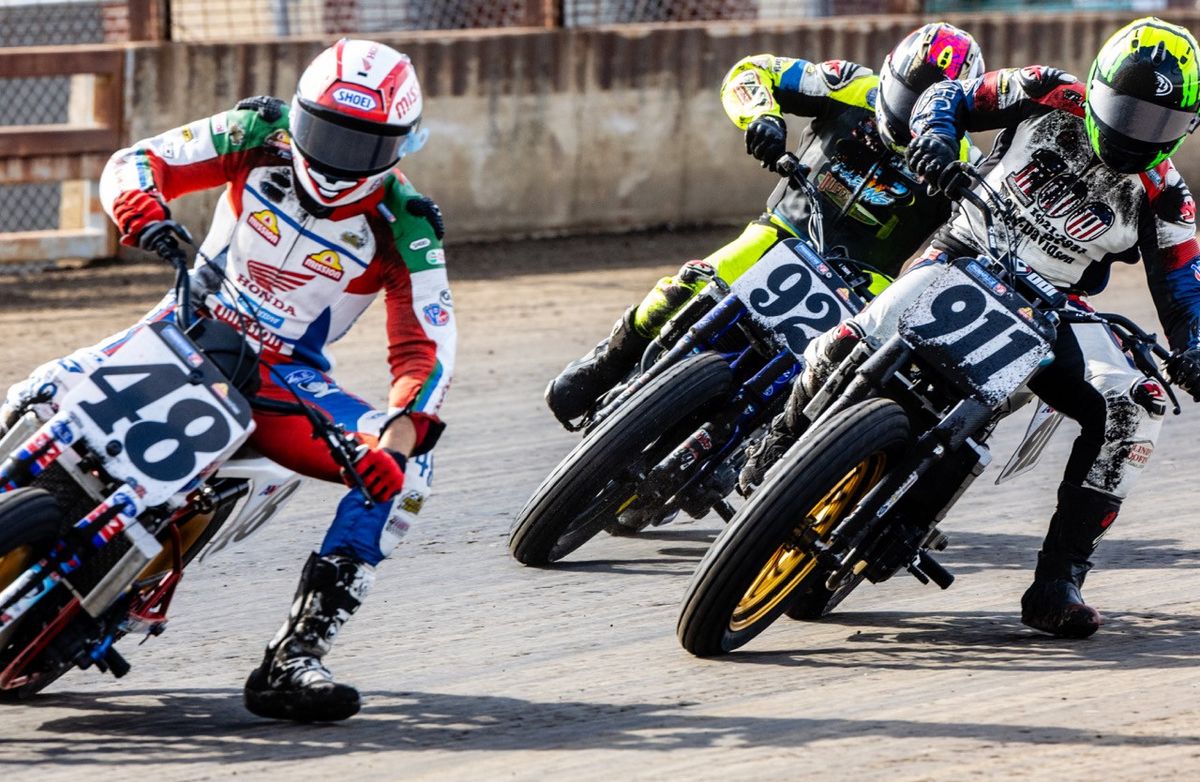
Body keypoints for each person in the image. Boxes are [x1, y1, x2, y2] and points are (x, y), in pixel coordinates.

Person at [0, 39, 455, 721]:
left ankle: (295, 655)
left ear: (401, 146)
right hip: (181, 327)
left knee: (409, 476)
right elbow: (140, 161)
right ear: (297, 116)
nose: (338, 160)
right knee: (36, 391)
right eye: (326, 133)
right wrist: (141, 208)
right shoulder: (254, 132)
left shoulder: (408, 224)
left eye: (364, 145)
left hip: (282, 380)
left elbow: (426, 347)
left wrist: (396, 437)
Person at [769, 17, 1200, 638]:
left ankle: (1059, 580)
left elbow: (1185, 288)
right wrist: (936, 140)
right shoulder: (1046, 90)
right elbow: (950, 95)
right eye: (1125, 110)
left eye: (1157, 122)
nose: (1135, 131)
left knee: (1139, 404)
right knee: (849, 338)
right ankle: (780, 437)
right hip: (963, 253)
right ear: (1097, 86)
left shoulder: (1167, 197)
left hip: (1052, 310)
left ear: (1186, 126)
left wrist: (1192, 349)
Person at [544, 22, 986, 430]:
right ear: (889, 72)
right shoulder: (851, 85)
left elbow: (985, 230)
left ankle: (777, 451)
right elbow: (752, 72)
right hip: (782, 233)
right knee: (687, 285)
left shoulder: (967, 162)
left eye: (929, 104)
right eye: (908, 95)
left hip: (866, 283)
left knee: (838, 378)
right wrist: (762, 116)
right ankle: (610, 361)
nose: (909, 114)